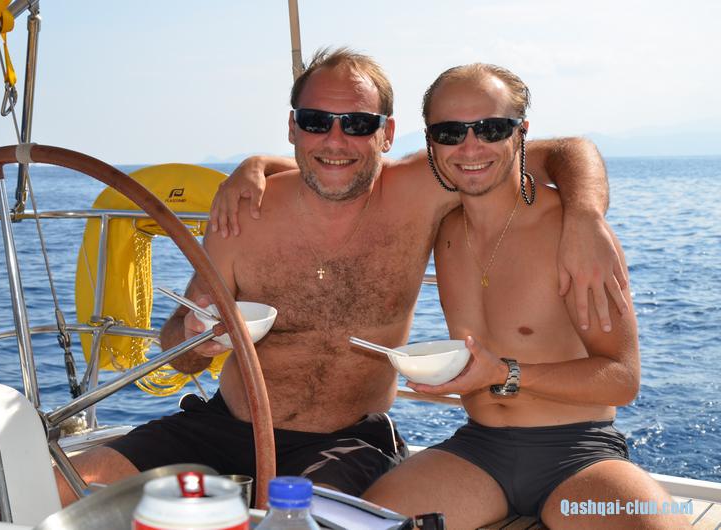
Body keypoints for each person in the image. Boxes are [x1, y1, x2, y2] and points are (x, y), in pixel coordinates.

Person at [56, 48, 622, 506]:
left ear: (387, 133)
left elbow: (565, 151)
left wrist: (586, 217)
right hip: (220, 426)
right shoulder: (244, 214)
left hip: (348, 440)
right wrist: (192, 339)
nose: (334, 140)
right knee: (63, 484)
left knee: (305, 521)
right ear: (293, 128)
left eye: (357, 123)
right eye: (315, 122)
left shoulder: (424, 186)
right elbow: (179, 352)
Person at [360, 64, 690, 529]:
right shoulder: (445, 230)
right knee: (363, 524)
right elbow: (342, 174)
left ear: (521, 133)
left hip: (580, 455)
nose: (470, 147)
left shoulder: (572, 234)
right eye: (450, 132)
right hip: (478, 451)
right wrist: (258, 166)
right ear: (431, 141)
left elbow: (623, 378)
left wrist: (506, 374)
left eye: (492, 129)